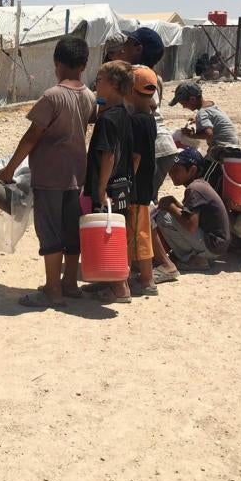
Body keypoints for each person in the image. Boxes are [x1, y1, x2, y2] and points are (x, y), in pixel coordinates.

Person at [0, 36, 95, 307]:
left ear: (56, 62)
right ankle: (70, 284)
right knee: (71, 231)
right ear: (84, 65)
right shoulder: (89, 96)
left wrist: (8, 170)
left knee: (50, 232)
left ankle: (52, 289)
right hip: (77, 176)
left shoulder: (52, 97)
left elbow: (31, 137)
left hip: (50, 178)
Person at [109, 27, 179, 284]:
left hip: (149, 146)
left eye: (128, 43)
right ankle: (143, 262)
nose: (123, 47)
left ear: (138, 49)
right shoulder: (151, 75)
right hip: (159, 145)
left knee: (140, 209)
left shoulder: (135, 74)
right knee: (141, 208)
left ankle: (164, 264)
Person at [83, 60, 134, 304]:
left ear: (113, 84)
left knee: (107, 232)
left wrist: (101, 189)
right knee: (116, 232)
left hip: (108, 186)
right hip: (122, 184)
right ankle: (112, 282)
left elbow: (108, 155)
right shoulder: (124, 113)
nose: (96, 84)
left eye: (100, 80)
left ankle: (119, 288)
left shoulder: (108, 120)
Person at [154, 148, 231, 270]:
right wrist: (175, 204)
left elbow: (191, 225)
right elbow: (192, 214)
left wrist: (170, 207)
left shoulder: (194, 189)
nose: (171, 173)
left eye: (176, 170)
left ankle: (193, 259)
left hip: (212, 246)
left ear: (192, 170)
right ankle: (191, 255)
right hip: (217, 245)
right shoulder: (200, 184)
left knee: (164, 217)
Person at [126, 66, 159, 297]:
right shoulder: (149, 118)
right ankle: (140, 277)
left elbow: (135, 157)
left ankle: (144, 280)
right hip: (146, 183)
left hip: (135, 186)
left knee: (136, 234)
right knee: (140, 231)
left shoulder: (135, 121)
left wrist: (126, 186)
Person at [169, 81, 241, 150]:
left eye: (183, 103)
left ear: (192, 99)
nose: (184, 107)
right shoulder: (210, 105)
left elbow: (208, 134)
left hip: (223, 149)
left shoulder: (201, 113)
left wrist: (191, 135)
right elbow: (213, 118)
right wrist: (197, 120)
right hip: (233, 145)